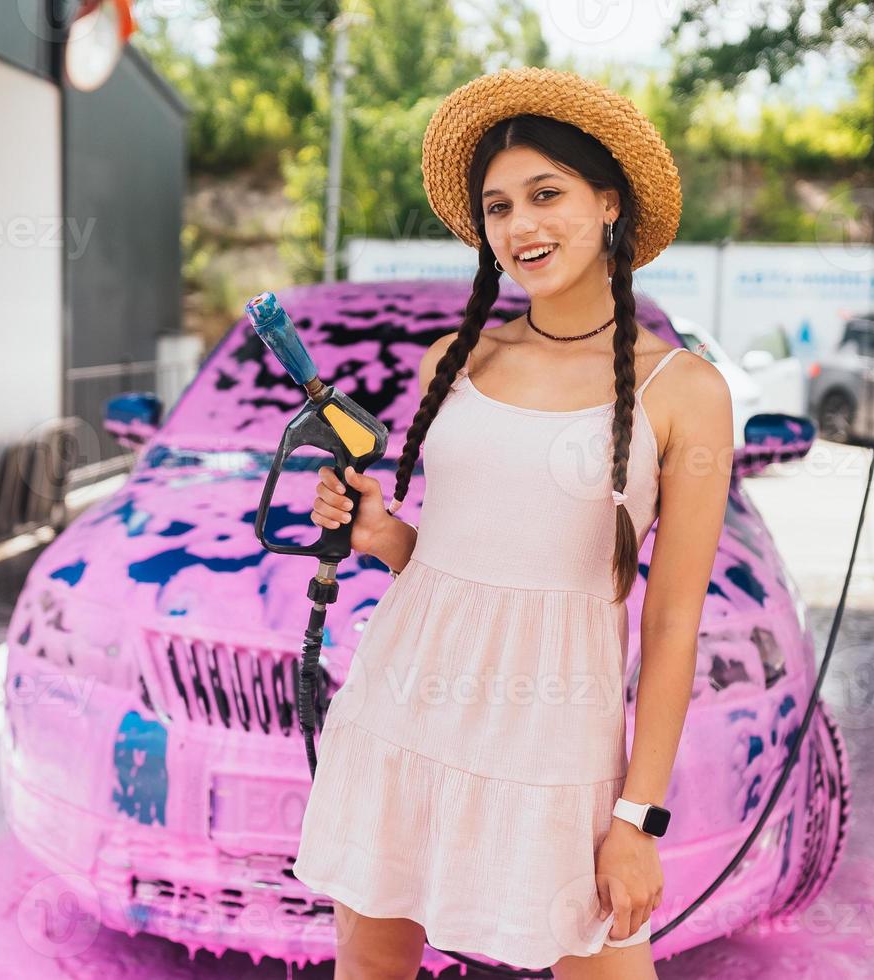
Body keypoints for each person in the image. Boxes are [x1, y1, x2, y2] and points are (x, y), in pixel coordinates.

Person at [292, 66, 733, 979]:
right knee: (369, 965)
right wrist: (381, 537)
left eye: (546, 194)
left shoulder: (683, 390)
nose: (521, 227)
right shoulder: (450, 359)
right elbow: (454, 561)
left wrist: (634, 819)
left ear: (607, 203)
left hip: (556, 746)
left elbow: (671, 621)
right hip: (403, 711)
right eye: (498, 208)